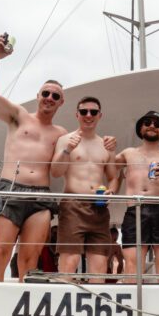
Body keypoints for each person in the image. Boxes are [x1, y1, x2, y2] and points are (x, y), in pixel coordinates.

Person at [0, 34, 67, 282]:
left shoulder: (61, 133)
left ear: (61, 103)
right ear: (38, 95)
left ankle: (20, 310)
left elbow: (65, 164)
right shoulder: (18, 115)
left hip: (41, 195)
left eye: (55, 96)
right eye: (46, 93)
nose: (49, 98)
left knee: (30, 259)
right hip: (10, 189)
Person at [112, 110, 159, 283]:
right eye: (147, 122)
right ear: (140, 128)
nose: (152, 126)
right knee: (132, 266)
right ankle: (131, 307)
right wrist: (109, 149)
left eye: (157, 124)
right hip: (135, 209)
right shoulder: (128, 153)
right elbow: (107, 167)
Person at [51, 96, 117, 281]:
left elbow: (113, 177)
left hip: (99, 206)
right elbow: (55, 172)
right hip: (73, 203)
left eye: (93, 112)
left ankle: (95, 303)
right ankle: (63, 302)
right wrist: (67, 150)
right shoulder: (65, 139)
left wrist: (111, 190)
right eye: (84, 111)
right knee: (69, 260)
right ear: (77, 114)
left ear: (100, 115)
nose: (89, 115)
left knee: (100, 264)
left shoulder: (107, 144)